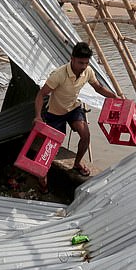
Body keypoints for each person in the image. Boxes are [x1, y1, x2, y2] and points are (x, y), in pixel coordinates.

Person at [33, 41, 116, 184]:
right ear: (72, 59)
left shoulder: (88, 71)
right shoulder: (58, 75)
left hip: (73, 108)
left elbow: (98, 88)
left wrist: (116, 98)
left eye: (85, 63)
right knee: (51, 147)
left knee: (86, 135)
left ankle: (77, 163)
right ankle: (42, 176)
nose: (83, 67)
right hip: (55, 113)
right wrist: (38, 116)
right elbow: (41, 95)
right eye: (80, 63)